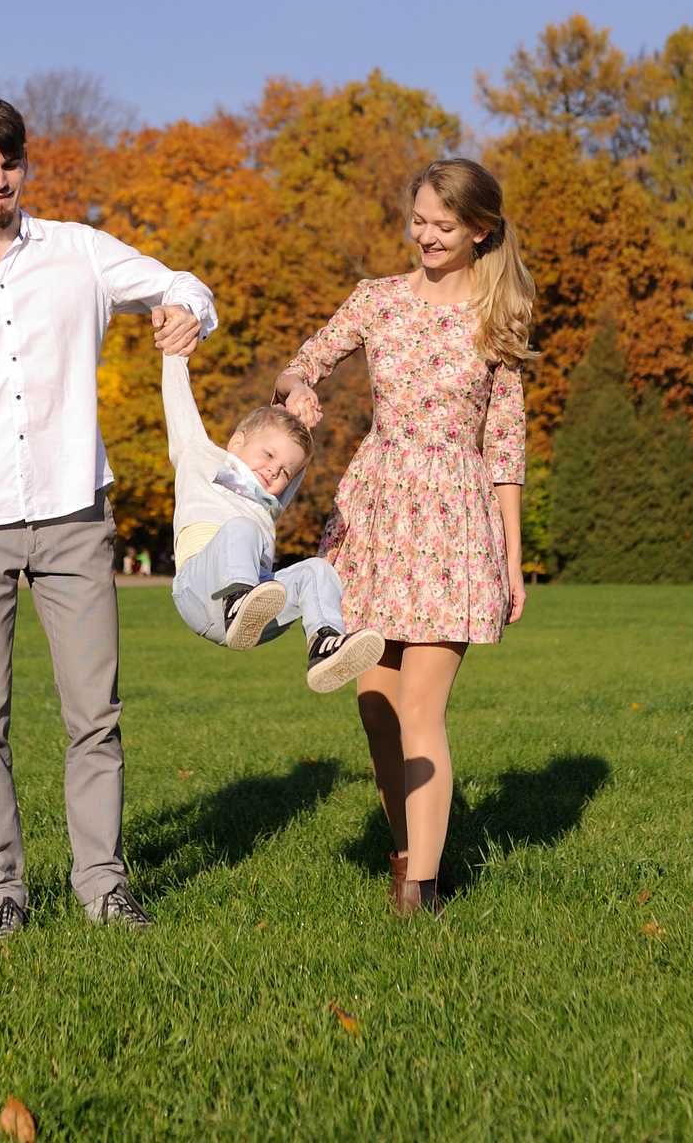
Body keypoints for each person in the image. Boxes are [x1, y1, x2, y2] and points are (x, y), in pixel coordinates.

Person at [0, 93, 214, 939]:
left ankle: (101, 885)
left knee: (94, 714)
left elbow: (181, 281)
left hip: (72, 515)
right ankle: (1, 899)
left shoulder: (81, 254)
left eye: (10, 164)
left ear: (27, 166)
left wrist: (187, 313)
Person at [274, 158, 534, 917]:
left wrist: (513, 561)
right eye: (418, 220)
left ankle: (416, 889)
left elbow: (507, 448)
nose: (424, 235)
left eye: (442, 226)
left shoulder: (498, 318)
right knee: (375, 703)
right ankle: (410, 847)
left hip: (454, 519)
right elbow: (305, 362)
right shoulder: (377, 300)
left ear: (479, 230)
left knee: (422, 705)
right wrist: (297, 391)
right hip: (376, 514)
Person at [161, 352, 387, 691]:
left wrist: (301, 423)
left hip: (258, 612)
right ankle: (237, 598)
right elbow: (178, 404)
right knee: (243, 527)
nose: (274, 471)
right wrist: (174, 354)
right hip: (201, 590)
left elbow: (295, 461)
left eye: (284, 471)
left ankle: (324, 644)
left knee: (317, 569)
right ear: (237, 442)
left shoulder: (270, 499)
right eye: (268, 455)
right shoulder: (199, 456)